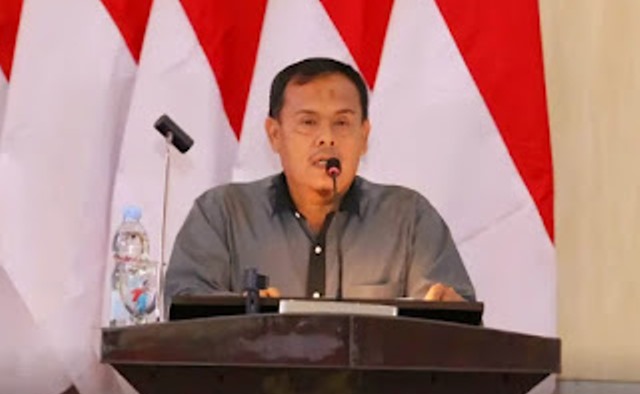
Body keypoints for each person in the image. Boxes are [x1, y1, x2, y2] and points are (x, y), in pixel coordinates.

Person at [165, 57, 475, 305]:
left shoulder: (408, 218)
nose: (326, 138)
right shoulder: (223, 214)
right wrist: (247, 314)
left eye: (342, 122)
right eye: (308, 122)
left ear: (364, 136)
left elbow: (457, 325)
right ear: (275, 134)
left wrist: (450, 313)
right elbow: (185, 308)